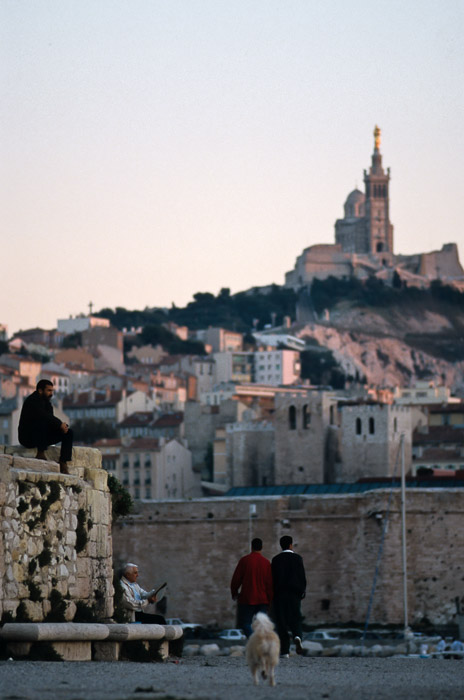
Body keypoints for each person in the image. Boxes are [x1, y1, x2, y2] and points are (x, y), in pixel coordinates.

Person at [18, 379, 73, 475]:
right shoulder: (32, 401)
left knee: (68, 432)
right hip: (27, 438)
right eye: (49, 390)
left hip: (41, 436)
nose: (51, 393)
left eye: (52, 391)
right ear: (40, 390)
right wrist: (59, 423)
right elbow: (43, 416)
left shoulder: (47, 403)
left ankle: (63, 462)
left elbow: (50, 419)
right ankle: (40, 453)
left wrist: (62, 427)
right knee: (41, 421)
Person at [230, 537, 273, 638]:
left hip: (247, 598)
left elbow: (236, 579)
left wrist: (234, 593)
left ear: (251, 547)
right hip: (262, 599)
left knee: (245, 623)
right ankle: (259, 641)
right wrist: (270, 600)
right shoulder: (266, 563)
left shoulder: (244, 561)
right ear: (262, 547)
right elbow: (269, 583)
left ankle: (253, 639)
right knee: (261, 625)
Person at [271, 535, 306, 657]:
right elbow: (302, 577)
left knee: (281, 621)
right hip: (294, 593)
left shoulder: (276, 560)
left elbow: (272, 578)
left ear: (281, 545)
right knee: (295, 617)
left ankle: (285, 650)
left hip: (279, 594)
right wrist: (302, 591)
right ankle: (297, 635)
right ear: (291, 545)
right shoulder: (298, 558)